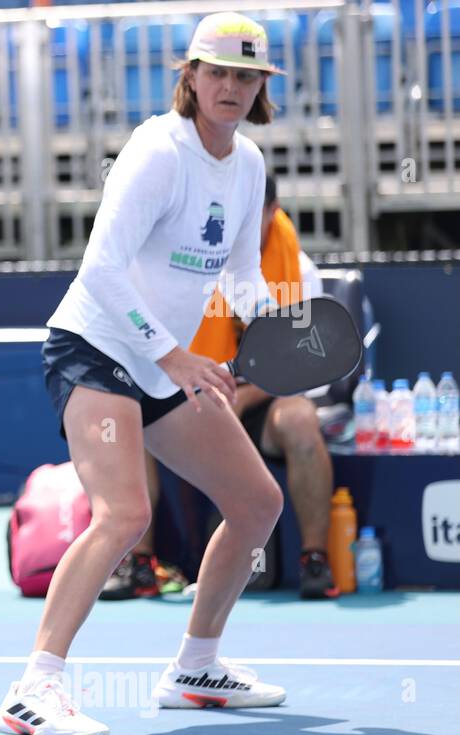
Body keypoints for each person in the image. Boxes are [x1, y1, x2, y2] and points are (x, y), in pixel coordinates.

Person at [0, 13, 290, 735]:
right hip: (93, 347)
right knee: (123, 514)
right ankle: (35, 690)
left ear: (260, 89)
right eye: (216, 72)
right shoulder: (158, 151)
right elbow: (100, 268)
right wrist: (172, 355)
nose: (229, 87)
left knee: (256, 503)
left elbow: (243, 278)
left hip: (160, 360)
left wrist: (288, 331)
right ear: (190, 77)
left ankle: (196, 666)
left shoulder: (247, 165)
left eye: (244, 76)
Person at [103, 175, 338, 601]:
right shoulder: (190, 262)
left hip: (261, 402)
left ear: (273, 209)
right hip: (191, 394)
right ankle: (137, 562)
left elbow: (302, 362)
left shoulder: (299, 271)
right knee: (133, 421)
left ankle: (314, 561)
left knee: (302, 421)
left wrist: (244, 395)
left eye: (254, 213)